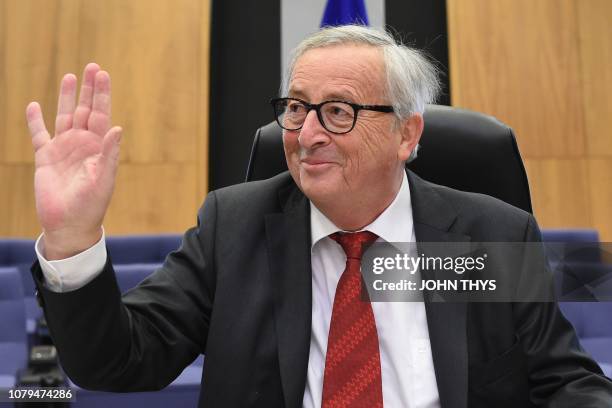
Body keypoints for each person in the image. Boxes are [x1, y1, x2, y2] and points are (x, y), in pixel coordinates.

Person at [26, 25, 611, 407]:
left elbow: (566, 384)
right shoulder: (236, 226)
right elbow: (118, 361)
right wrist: (72, 236)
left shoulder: (489, 236)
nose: (306, 135)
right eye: (296, 108)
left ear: (406, 134)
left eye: (337, 112)